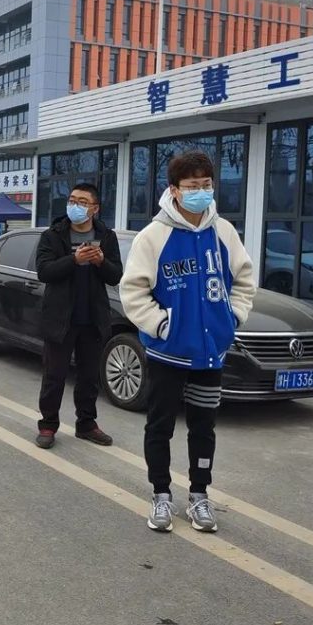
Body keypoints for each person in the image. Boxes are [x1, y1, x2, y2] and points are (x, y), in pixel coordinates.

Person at [120, 150, 255, 534]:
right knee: (160, 426)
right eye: (192, 186)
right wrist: (162, 326)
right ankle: (161, 494)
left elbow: (244, 281)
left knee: (203, 427)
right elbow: (133, 292)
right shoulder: (154, 235)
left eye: (206, 185)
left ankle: (199, 496)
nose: (200, 193)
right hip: (167, 354)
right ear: (174, 191)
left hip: (210, 355)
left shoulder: (223, 233)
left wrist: (232, 318)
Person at [34, 183, 121, 449]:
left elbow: (115, 274)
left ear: (95, 208)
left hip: (92, 318)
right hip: (60, 318)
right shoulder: (54, 234)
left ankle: (86, 424)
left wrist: (99, 262)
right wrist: (74, 260)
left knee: (89, 377)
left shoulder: (106, 235)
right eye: (72, 200)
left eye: (82, 202)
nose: (75, 205)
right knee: (54, 376)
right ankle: (48, 425)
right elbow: (44, 272)